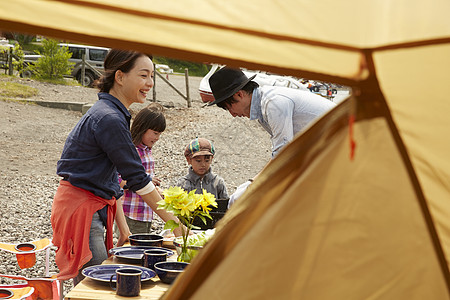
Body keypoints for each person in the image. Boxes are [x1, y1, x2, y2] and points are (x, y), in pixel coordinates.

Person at [51, 49, 182, 285]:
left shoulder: (113, 113)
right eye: (143, 75)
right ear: (120, 77)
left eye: (152, 76)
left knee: (99, 278)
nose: (150, 83)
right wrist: (176, 225)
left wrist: (123, 228)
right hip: (81, 208)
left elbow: (114, 179)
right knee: (95, 284)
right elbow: (137, 178)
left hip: (92, 206)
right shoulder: (109, 118)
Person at [208, 67, 336, 207]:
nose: (232, 114)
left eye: (229, 107)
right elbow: (289, 151)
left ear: (239, 95)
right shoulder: (263, 107)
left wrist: (252, 185)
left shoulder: (273, 103)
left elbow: (283, 153)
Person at [117, 103, 165, 235]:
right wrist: (147, 182)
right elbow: (117, 179)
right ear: (142, 128)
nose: (157, 138)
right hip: (131, 213)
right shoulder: (131, 151)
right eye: (155, 133)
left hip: (146, 211)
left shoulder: (146, 150)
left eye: (159, 134)